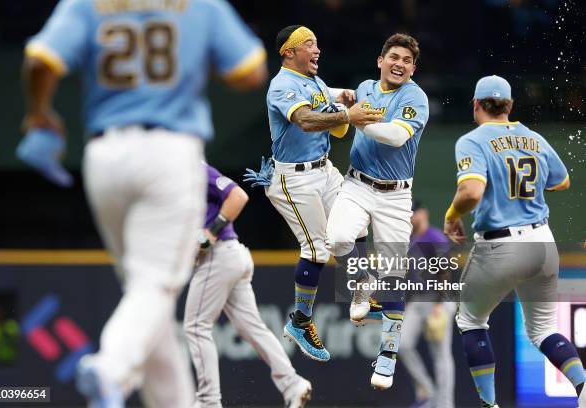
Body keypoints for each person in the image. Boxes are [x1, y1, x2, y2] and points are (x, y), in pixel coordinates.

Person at [20, 0, 267, 406]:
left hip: (104, 155)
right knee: (155, 285)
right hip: (169, 153)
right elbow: (249, 71)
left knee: (147, 297)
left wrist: (39, 113)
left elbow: (41, 61)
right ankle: (111, 369)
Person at [444, 75, 585, 408]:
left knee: (470, 320)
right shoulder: (533, 137)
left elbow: (472, 191)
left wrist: (451, 214)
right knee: (542, 330)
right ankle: (583, 386)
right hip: (542, 241)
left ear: (476, 105)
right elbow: (562, 181)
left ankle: (489, 405)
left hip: (501, 244)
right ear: (510, 106)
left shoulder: (472, 140)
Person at [262, 25, 380, 362]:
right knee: (316, 249)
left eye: (317, 42)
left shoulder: (310, 80)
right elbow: (305, 120)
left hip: (323, 169)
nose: (317, 49)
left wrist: (354, 96)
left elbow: (331, 94)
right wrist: (346, 114)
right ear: (289, 51)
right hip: (293, 179)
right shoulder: (282, 85)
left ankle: (359, 294)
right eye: (309, 44)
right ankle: (300, 322)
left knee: (356, 224)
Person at [326, 33, 429, 390]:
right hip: (356, 184)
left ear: (413, 68)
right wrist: (335, 101)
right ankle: (360, 283)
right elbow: (337, 96)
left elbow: (397, 136)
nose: (400, 63)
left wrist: (356, 120)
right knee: (338, 238)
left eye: (407, 60)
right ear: (380, 60)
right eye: (394, 57)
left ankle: (387, 357)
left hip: (396, 196)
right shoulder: (365, 87)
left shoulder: (415, 96)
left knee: (394, 275)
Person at [184, 164, 312, 408]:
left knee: (196, 326)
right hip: (230, 257)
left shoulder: (193, 167)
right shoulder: (169, 182)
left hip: (219, 254)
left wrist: (209, 234)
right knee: (252, 328)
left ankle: (208, 401)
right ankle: (292, 383)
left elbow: (238, 196)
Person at [399, 200, 455, 408]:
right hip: (416, 301)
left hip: (437, 300)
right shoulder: (410, 240)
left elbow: (445, 270)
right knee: (401, 344)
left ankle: (444, 404)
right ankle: (429, 394)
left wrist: (440, 304)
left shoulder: (434, 236)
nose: (411, 216)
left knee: (440, 355)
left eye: (414, 212)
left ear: (423, 213)